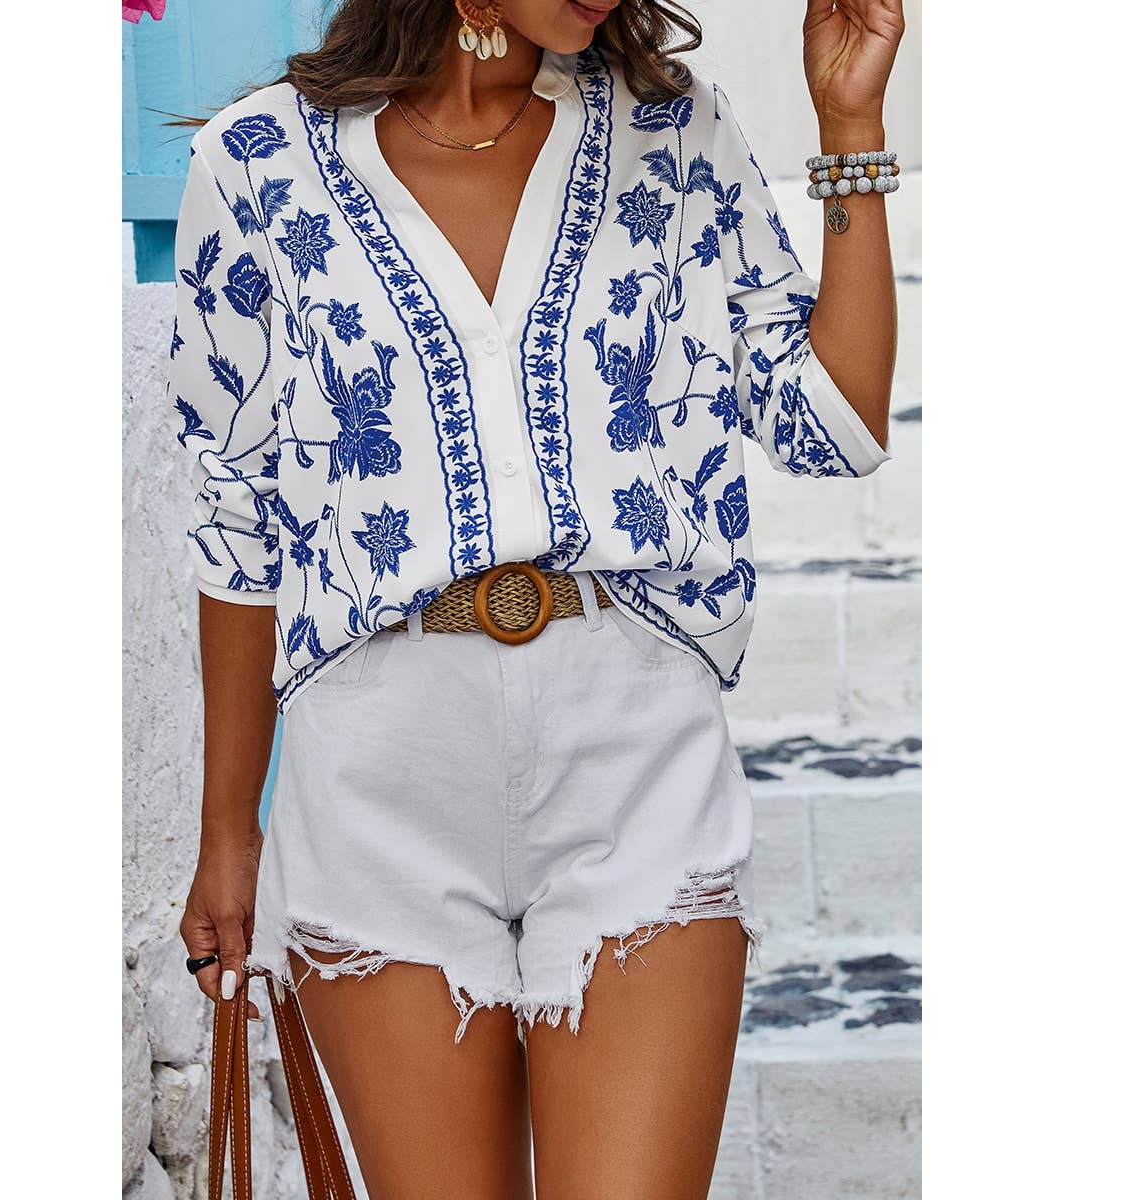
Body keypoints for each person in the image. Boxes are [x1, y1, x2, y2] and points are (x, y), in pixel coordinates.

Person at [166, 1, 904, 1195]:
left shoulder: (675, 132)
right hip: (379, 782)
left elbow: (836, 424)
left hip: (633, 755)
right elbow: (238, 521)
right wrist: (228, 834)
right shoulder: (257, 161)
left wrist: (850, 128)